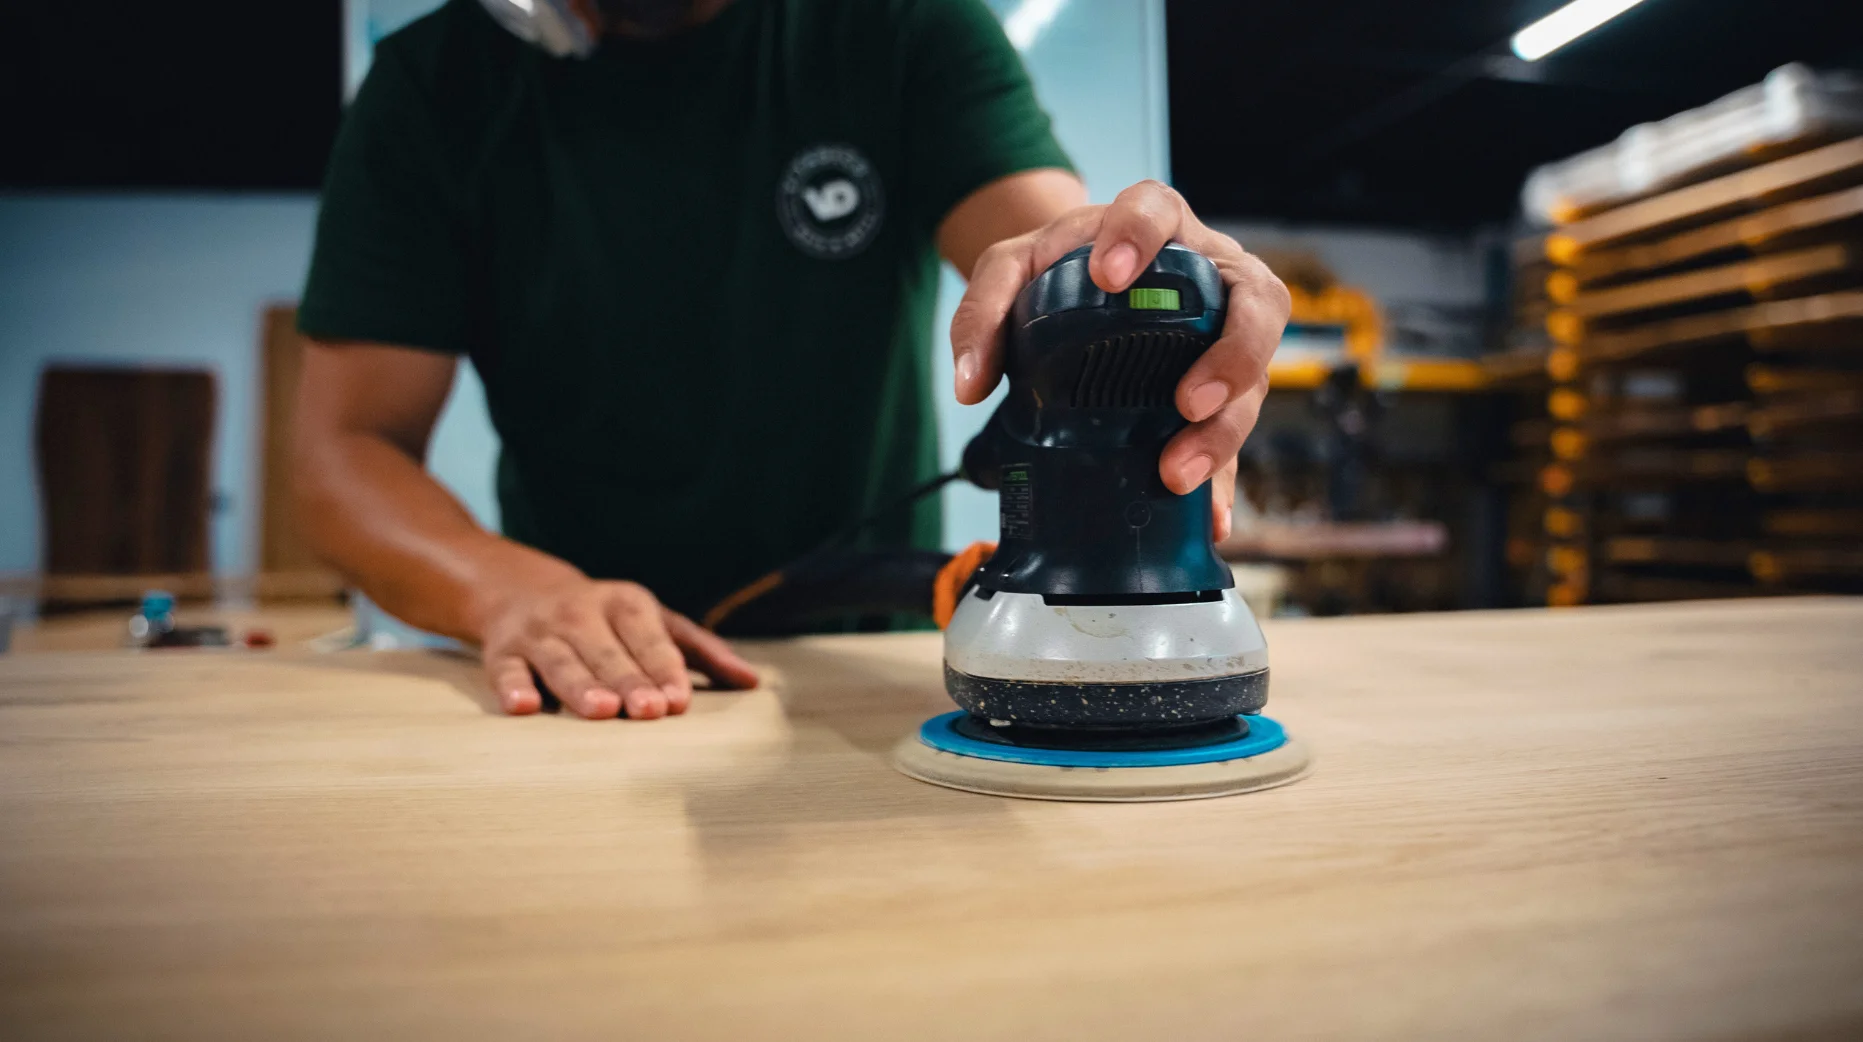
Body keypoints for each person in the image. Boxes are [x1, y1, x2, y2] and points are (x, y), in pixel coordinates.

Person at [293, 0, 1290, 722]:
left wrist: (1124, 282)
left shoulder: (903, 26)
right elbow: (344, 450)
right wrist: (504, 591)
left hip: (864, 677)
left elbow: (1051, 262)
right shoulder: (433, 88)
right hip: (582, 684)